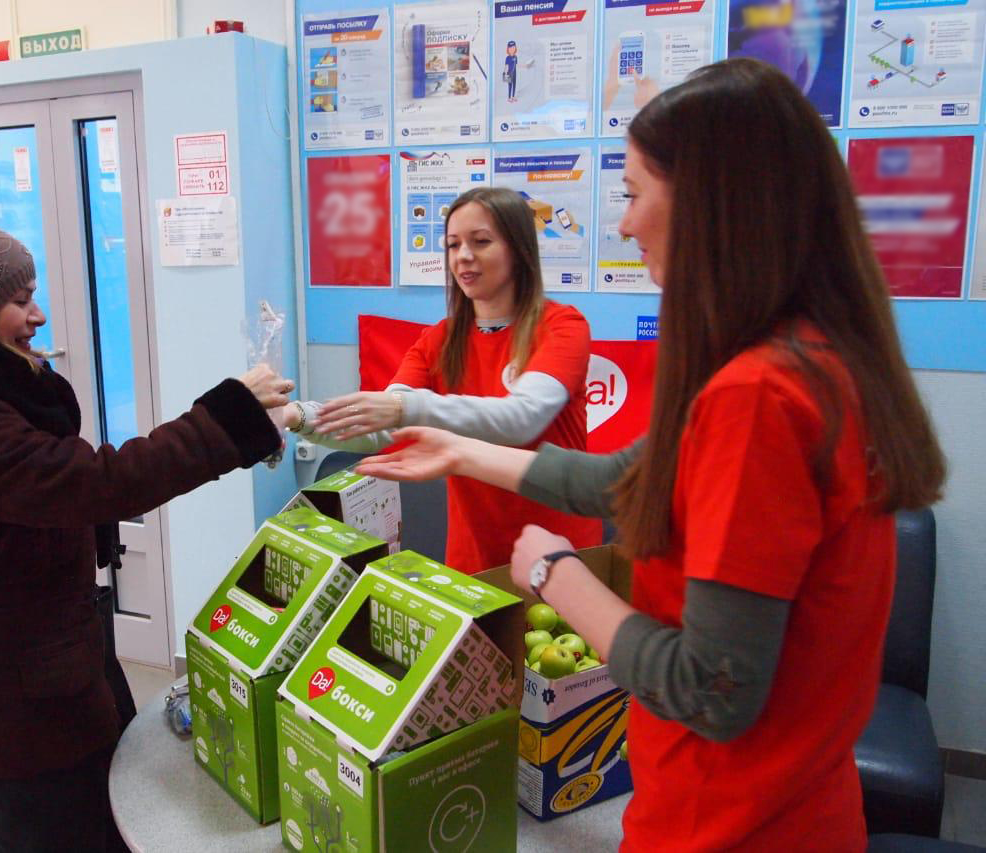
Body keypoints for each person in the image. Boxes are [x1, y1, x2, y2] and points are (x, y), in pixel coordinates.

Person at [356, 59, 945, 849]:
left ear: (710, 205)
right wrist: (459, 451)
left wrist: (553, 574)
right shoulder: (817, 360)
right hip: (801, 806)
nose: (625, 225)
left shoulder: (758, 396)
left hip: (726, 820)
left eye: (634, 194)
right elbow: (629, 478)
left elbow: (710, 688)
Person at [0, 212, 291, 852]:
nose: (38, 314)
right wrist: (231, 414)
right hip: (13, 707)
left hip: (61, 663)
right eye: (18, 302)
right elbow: (99, 484)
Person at [285, 186, 602, 573]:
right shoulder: (439, 340)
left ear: (519, 249)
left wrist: (404, 407)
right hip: (475, 555)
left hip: (560, 553)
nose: (464, 256)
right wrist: (295, 417)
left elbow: (522, 419)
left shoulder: (562, 326)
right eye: (453, 245)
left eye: (481, 241)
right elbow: (383, 429)